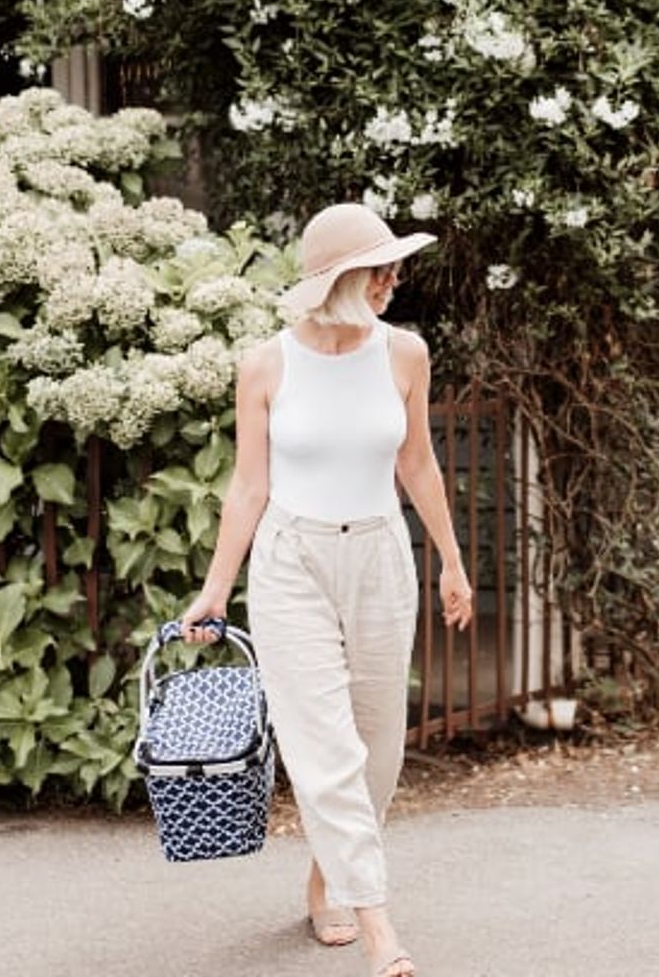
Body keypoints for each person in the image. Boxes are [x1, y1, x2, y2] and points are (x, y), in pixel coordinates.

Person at [180, 202, 473, 977]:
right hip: (291, 564)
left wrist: (451, 559)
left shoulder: (405, 353)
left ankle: (327, 876)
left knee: (377, 751)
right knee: (325, 747)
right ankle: (381, 931)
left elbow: (419, 464)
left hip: (380, 556)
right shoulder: (266, 364)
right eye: (381, 270)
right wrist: (216, 589)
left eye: (394, 267)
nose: (395, 280)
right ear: (343, 281)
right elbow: (248, 486)